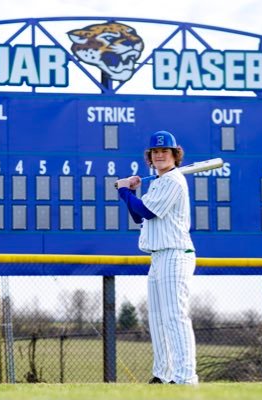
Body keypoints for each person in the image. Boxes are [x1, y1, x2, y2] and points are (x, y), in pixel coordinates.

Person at [115, 130, 198, 385]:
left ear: (175, 155)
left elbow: (146, 211)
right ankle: (163, 375)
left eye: (165, 151)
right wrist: (128, 193)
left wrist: (124, 190)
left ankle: (186, 378)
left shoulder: (173, 180)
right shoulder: (159, 182)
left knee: (175, 316)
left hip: (175, 254)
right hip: (158, 257)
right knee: (159, 320)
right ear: (150, 157)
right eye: (156, 151)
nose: (160, 154)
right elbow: (138, 216)